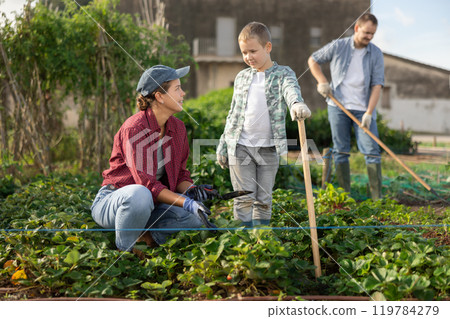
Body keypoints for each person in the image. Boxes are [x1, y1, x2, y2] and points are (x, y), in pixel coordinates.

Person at [90, 65, 218, 257]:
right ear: (159, 96)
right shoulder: (135, 128)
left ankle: (146, 235)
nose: (183, 93)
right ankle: (124, 251)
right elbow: (147, 186)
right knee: (140, 194)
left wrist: (192, 191)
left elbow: (181, 174)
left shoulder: (178, 128)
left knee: (196, 219)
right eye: (177, 89)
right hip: (117, 201)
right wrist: (184, 202)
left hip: (152, 205)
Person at [216, 22, 311, 227]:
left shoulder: (283, 73)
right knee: (243, 197)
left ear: (268, 47)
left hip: (269, 148)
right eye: (244, 52)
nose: (248, 56)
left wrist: (296, 103)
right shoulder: (242, 77)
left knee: (264, 200)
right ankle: (242, 242)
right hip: (240, 147)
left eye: (253, 51)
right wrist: (224, 144)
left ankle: (261, 242)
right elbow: (232, 113)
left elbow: (290, 89)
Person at [307, 13, 384, 200]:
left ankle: (377, 199)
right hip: (338, 106)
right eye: (366, 32)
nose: (369, 37)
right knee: (341, 151)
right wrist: (322, 81)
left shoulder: (376, 53)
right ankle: (344, 198)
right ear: (357, 28)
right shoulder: (338, 45)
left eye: (372, 34)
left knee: (372, 152)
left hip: (363, 109)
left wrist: (369, 113)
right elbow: (313, 59)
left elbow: (377, 85)